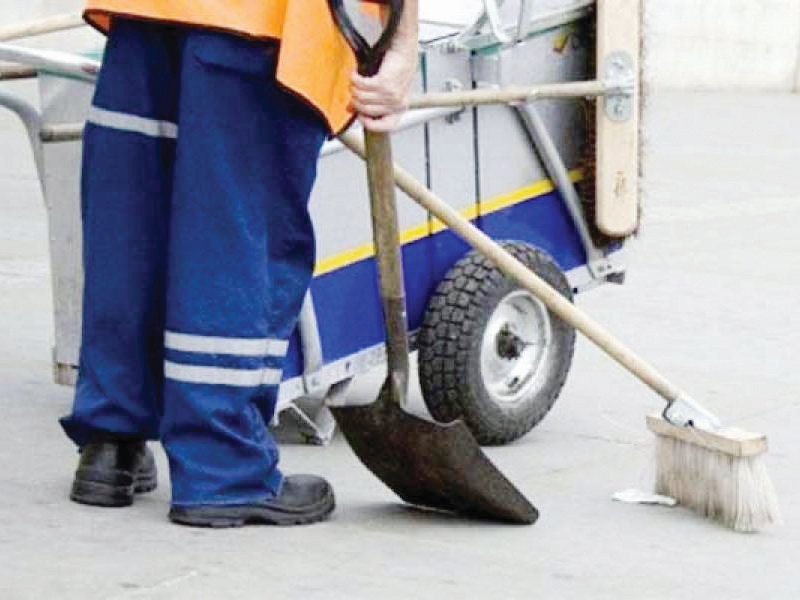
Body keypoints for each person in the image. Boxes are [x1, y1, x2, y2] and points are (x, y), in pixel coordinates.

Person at [60, 0, 419, 527]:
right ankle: (222, 466)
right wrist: (403, 46)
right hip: (259, 26)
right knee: (234, 234)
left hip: (148, 14)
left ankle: (111, 442)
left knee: (133, 221)